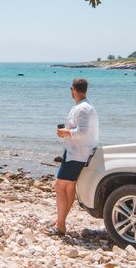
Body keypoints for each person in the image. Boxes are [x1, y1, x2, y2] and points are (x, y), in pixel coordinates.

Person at [47, 77, 99, 236]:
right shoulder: (85, 106)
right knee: (69, 187)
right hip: (76, 152)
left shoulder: (82, 108)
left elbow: (82, 132)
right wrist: (67, 133)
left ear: (73, 90)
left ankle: (60, 226)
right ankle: (60, 221)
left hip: (77, 154)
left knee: (59, 187)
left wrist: (65, 132)